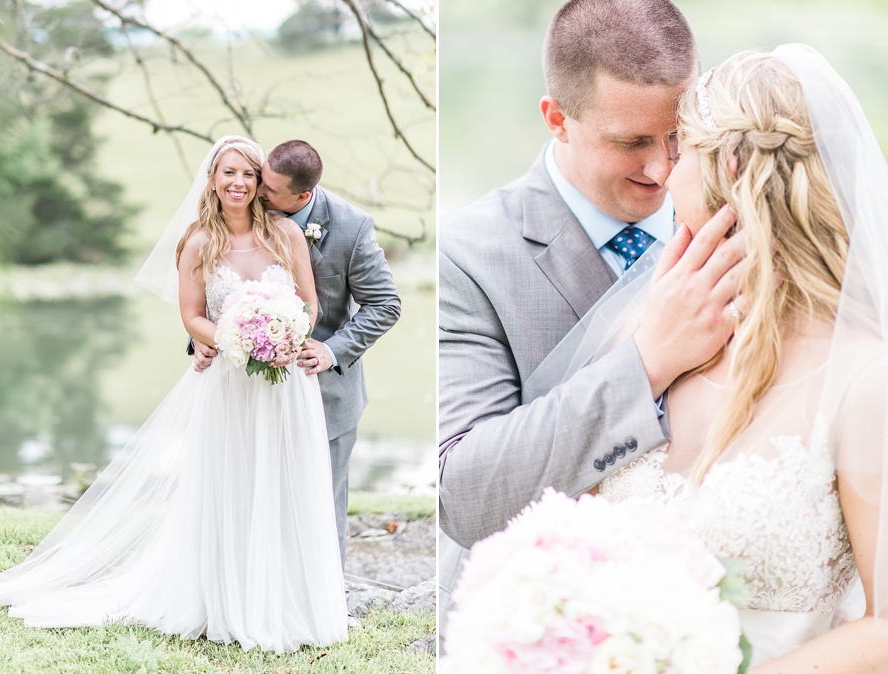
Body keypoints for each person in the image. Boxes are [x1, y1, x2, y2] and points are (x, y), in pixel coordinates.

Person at [567, 45, 888, 669]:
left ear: (732, 167)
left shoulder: (864, 378)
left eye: (679, 151)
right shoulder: (653, 331)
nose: (660, 175)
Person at [438, 0, 743, 634]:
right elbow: (465, 494)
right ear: (557, 119)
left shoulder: (743, 227)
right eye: (631, 142)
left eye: (678, 135)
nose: (662, 168)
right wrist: (646, 364)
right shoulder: (468, 256)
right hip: (534, 628)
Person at [0, 136, 348, 654]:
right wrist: (233, 338)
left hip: (286, 385)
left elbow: (311, 305)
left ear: (260, 181)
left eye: (248, 174)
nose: (238, 183)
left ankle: (286, 599)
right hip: (227, 384)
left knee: (282, 481)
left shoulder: (287, 235)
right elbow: (192, 316)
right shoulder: (199, 242)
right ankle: (224, 599)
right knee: (229, 485)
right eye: (228, 173)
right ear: (213, 179)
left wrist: (287, 331)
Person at [193, 140, 401, 584]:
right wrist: (209, 341)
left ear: (301, 197)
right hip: (243, 388)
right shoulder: (235, 220)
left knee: (320, 503)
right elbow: (217, 292)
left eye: (267, 189)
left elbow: (386, 305)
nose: (256, 193)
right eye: (256, 179)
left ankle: (321, 600)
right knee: (246, 493)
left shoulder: (350, 227)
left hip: (322, 389)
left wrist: (330, 350)